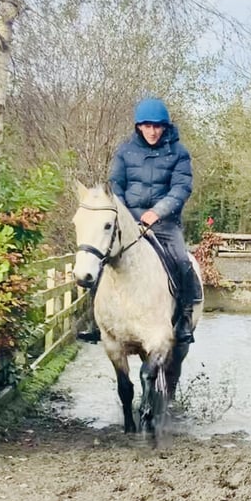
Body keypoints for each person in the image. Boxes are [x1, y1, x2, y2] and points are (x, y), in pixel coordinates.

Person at [78, 97, 200, 344]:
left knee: (182, 261)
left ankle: (185, 318)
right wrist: (123, 213)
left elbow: (181, 188)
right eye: (147, 126)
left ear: (165, 127)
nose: (152, 131)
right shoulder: (126, 151)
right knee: (101, 260)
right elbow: (116, 186)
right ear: (139, 127)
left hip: (165, 222)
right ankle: (96, 321)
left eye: (157, 126)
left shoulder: (179, 153)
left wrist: (158, 211)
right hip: (129, 220)